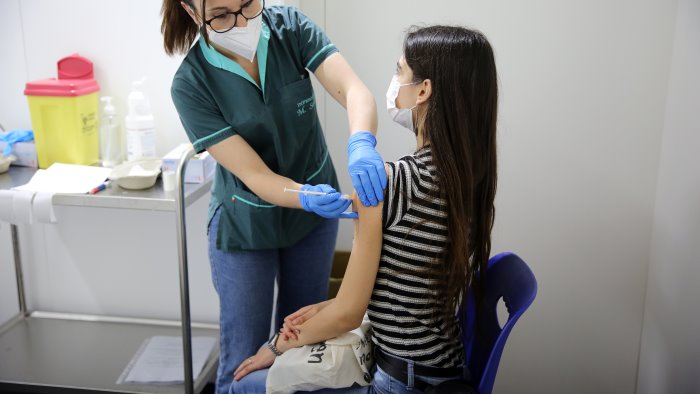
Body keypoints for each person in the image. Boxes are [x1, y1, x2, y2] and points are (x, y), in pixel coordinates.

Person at [231, 25, 499, 394]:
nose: (393, 82)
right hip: (441, 368)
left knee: (244, 386)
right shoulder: (468, 175)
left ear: (423, 90)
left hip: (399, 380)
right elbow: (400, 286)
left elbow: (348, 313)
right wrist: (325, 308)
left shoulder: (389, 182)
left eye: (399, 71)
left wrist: (274, 347)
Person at [161, 1, 386, 393]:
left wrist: (362, 142)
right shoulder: (191, 84)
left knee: (301, 348)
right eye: (222, 14)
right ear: (191, 10)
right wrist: (304, 195)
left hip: (311, 222)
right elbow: (255, 175)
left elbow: (353, 90)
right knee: (246, 363)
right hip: (246, 224)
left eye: (248, 4)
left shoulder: (289, 28)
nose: (242, 21)